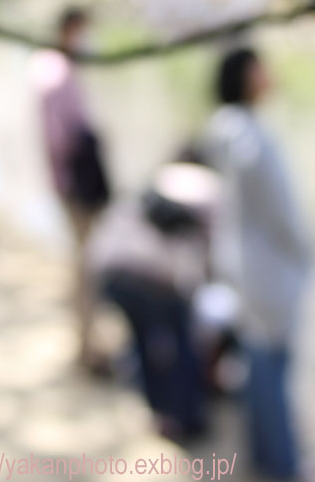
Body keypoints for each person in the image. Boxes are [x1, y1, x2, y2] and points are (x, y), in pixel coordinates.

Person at [206, 47, 313, 480]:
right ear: (246, 77)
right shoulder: (253, 139)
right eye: (260, 67)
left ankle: (260, 456)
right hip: (268, 271)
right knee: (273, 371)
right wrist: (307, 255)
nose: (269, 73)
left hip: (241, 265)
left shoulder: (223, 129)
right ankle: (283, 465)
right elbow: (283, 214)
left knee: (256, 363)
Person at [86, 162, 220, 440]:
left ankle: (158, 411)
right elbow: (202, 258)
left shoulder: (161, 177)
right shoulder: (210, 192)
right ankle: (189, 418)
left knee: (142, 341)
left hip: (110, 272)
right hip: (150, 278)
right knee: (182, 346)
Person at [30, 8, 110, 370]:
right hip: (76, 185)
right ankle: (86, 345)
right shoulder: (58, 74)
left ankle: (88, 340)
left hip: (70, 182)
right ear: (70, 30)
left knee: (83, 260)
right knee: (86, 264)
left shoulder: (53, 69)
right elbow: (59, 139)